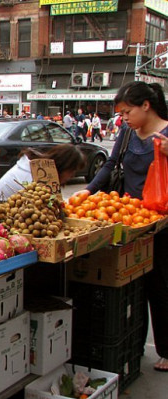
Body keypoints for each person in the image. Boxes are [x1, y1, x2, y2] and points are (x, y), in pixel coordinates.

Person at [85, 81, 168, 372]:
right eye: (121, 113)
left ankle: (166, 350)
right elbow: (110, 165)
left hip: (162, 222)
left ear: (146, 105)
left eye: (127, 111)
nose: (124, 118)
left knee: (161, 284)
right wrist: (89, 190)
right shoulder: (128, 132)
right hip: (130, 218)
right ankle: (133, 344)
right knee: (133, 283)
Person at [0, 144, 86, 200]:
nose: (72, 176)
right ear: (64, 165)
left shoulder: (43, 171)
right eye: (72, 171)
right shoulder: (34, 177)